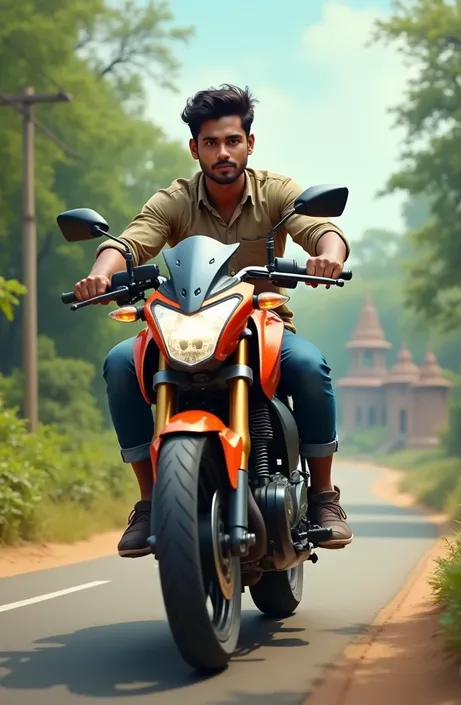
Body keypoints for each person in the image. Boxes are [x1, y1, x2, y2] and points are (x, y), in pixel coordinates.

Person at [73, 84, 354, 558]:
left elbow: (322, 231)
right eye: (210, 143)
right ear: (195, 148)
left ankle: (325, 497)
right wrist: (100, 275)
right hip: (182, 325)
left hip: (258, 325)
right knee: (120, 363)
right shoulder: (175, 199)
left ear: (249, 142)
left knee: (309, 365)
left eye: (231, 141)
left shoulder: (277, 192)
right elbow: (130, 242)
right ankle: (147, 501)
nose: (222, 152)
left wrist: (327, 257)